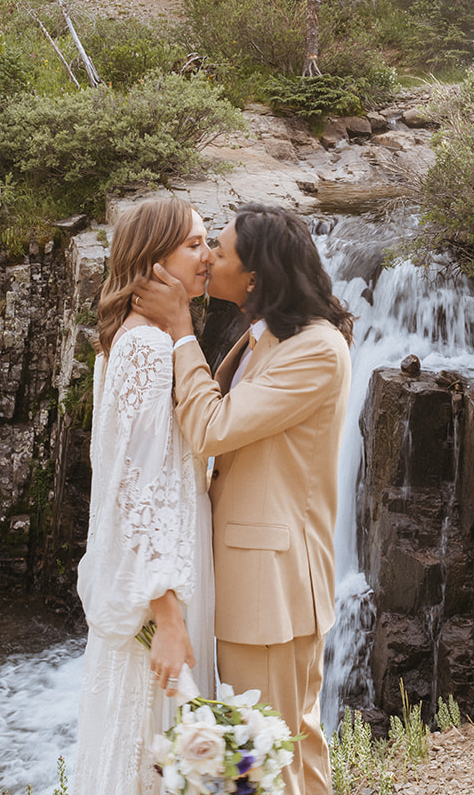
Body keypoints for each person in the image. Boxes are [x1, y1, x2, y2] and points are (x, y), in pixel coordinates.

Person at [133, 201, 353, 795]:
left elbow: (211, 429)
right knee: (290, 752)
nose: (207, 258)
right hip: (249, 580)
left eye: (219, 250)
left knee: (273, 757)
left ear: (253, 276)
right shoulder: (265, 338)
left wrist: (181, 331)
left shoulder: (315, 349)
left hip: (271, 589)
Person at [73, 195, 215, 795]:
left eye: (207, 243)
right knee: (150, 747)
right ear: (154, 263)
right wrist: (166, 613)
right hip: (162, 581)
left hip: (167, 565)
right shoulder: (147, 350)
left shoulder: (127, 341)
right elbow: (133, 487)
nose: (209, 256)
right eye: (194, 244)